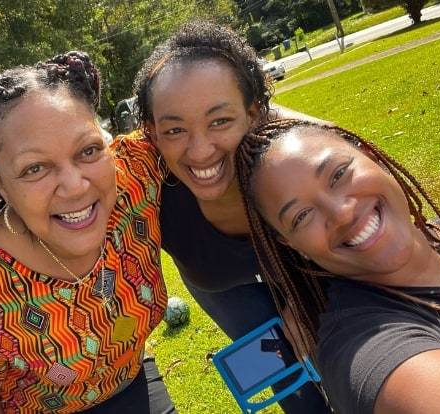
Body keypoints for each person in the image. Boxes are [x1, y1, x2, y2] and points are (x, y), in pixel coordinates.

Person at [0, 52, 174, 413]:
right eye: (34, 168)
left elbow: (211, 123)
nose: (75, 186)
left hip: (135, 380)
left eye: (89, 150)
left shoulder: (133, 179)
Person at [132, 21, 330, 412]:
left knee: (341, 350)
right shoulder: (143, 182)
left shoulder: (299, 155)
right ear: (152, 133)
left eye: (220, 120)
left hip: (313, 266)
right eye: (175, 130)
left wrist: (301, 303)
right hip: (219, 281)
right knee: (292, 386)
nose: (200, 151)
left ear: (253, 113)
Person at [236, 118, 440, 414]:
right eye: (302, 216)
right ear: (292, 244)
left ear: (370, 156)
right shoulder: (362, 349)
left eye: (339, 174)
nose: (342, 214)